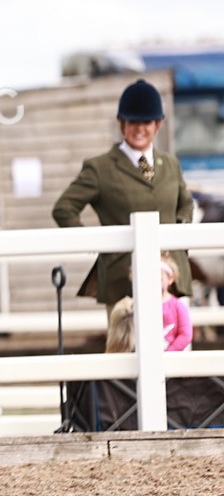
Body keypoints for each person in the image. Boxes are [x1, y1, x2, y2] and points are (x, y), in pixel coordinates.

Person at [52, 79, 194, 321]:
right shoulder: (100, 168)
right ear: (121, 124)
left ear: (158, 125)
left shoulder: (170, 164)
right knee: (125, 351)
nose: (139, 129)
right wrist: (96, 242)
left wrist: (176, 236)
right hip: (122, 278)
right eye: (132, 122)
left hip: (171, 279)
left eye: (146, 122)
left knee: (176, 351)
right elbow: (64, 209)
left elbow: (186, 204)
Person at [161, 252, 193, 351]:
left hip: (171, 357)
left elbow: (185, 334)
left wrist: (171, 351)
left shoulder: (178, 306)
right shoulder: (142, 306)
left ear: (170, 278)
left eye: (160, 279)